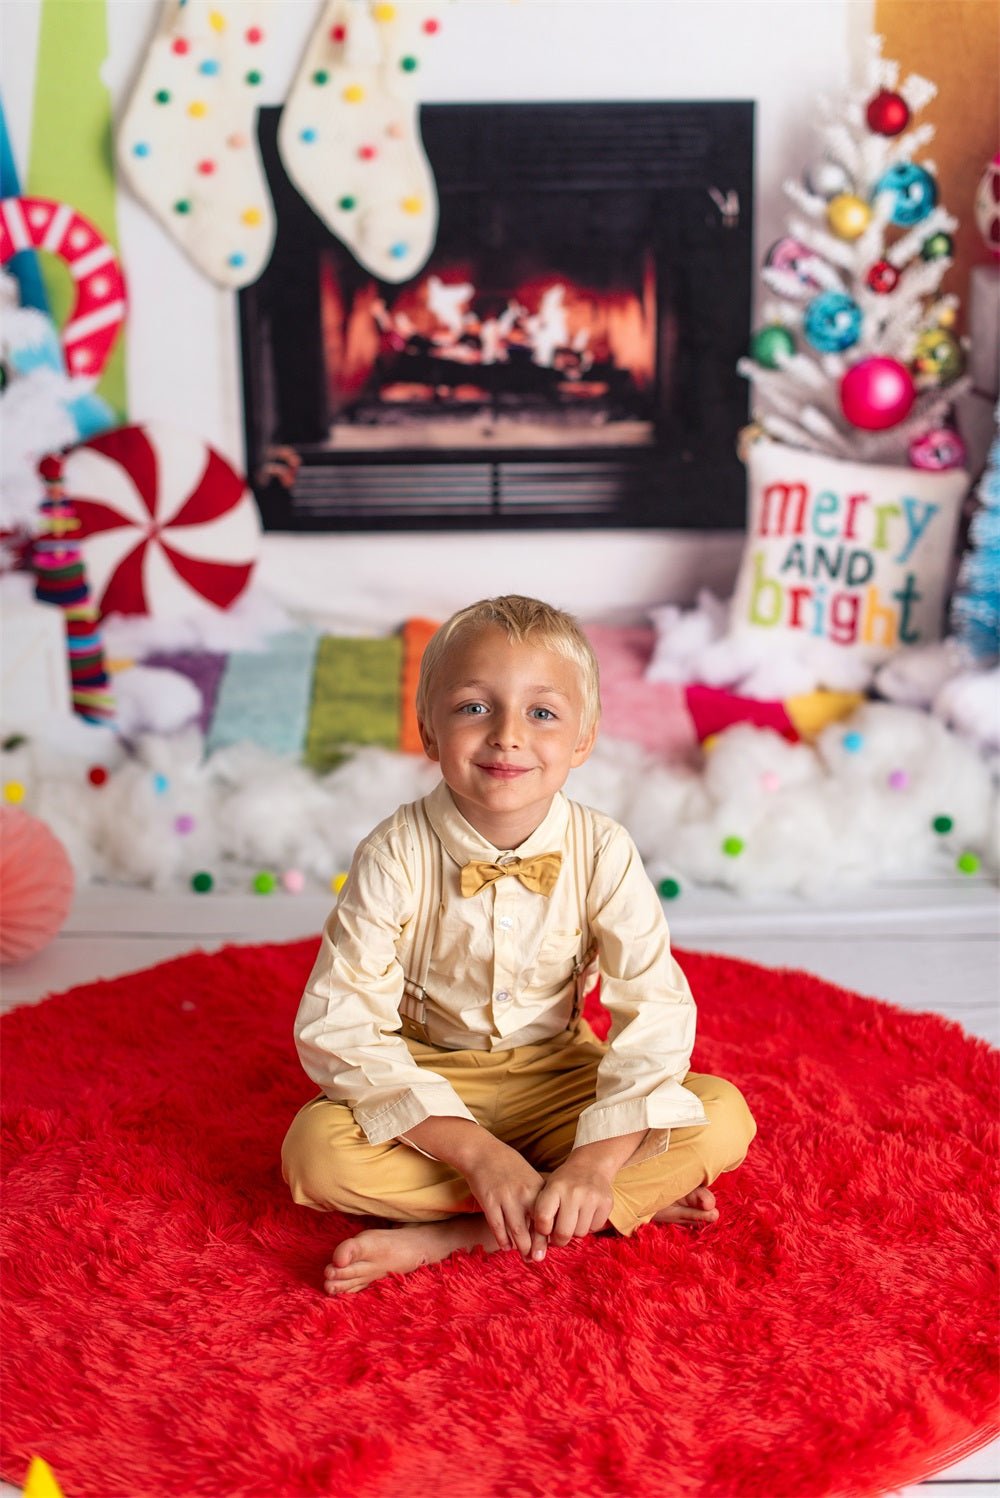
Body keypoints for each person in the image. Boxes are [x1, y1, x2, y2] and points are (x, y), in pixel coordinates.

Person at [282, 595, 756, 1294]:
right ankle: (609, 1207)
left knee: (722, 1117)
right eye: (475, 707)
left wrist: (596, 1162)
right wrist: (473, 1152)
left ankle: (463, 1234)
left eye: (542, 713)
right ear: (429, 731)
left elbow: (655, 1014)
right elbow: (339, 1023)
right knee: (314, 1157)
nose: (507, 736)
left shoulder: (605, 850)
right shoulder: (394, 851)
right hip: (431, 1078)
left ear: (582, 740)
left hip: (560, 1076)